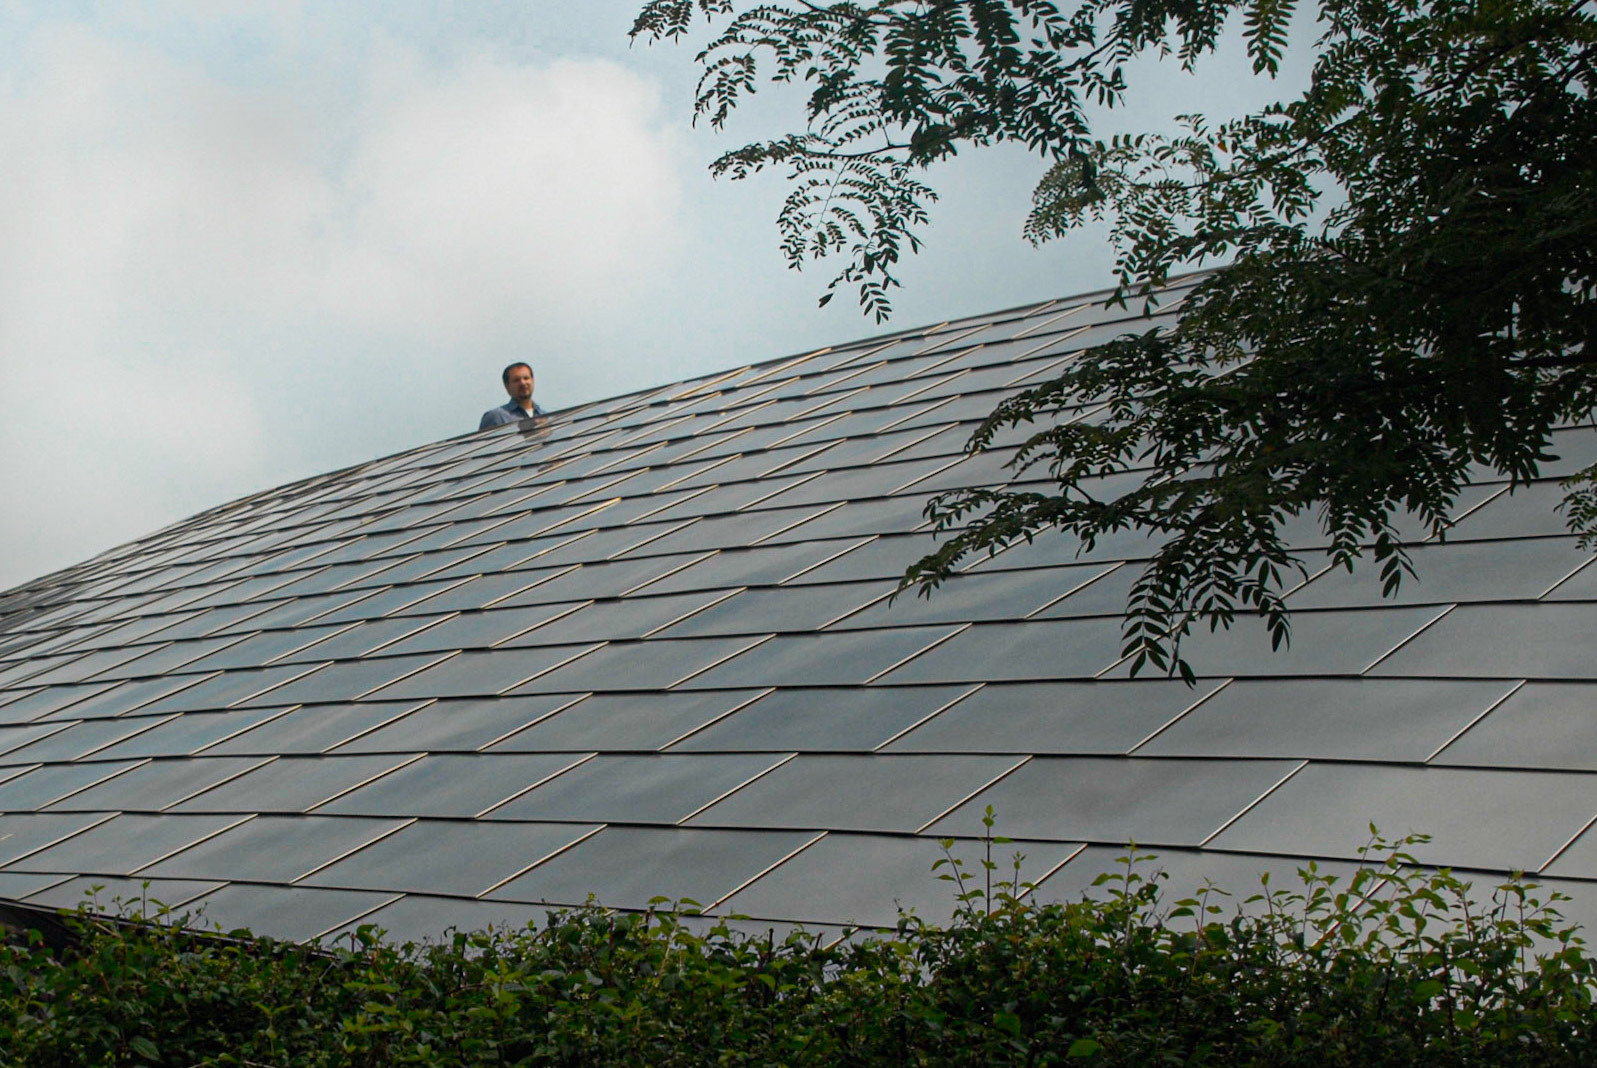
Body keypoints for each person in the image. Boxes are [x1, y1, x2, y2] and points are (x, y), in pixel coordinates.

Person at [479, 362, 547, 429]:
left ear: (533, 380)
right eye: (516, 380)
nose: (523, 383)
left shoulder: (545, 416)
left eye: (526, 378)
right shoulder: (496, 416)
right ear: (507, 386)